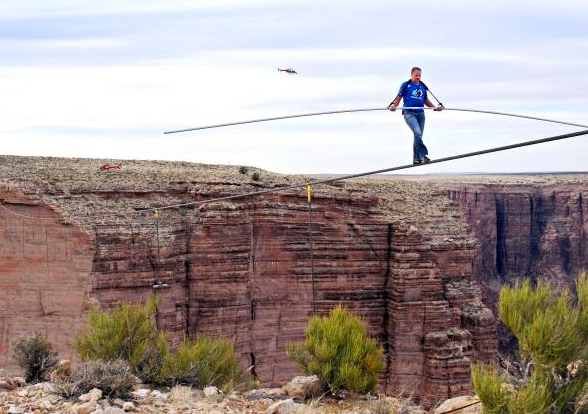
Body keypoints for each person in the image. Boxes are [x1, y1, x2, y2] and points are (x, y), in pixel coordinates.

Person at [389, 67, 443, 165]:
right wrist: (393, 106)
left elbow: (425, 100)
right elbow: (398, 98)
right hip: (409, 113)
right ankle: (423, 156)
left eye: (420, 75)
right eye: (416, 75)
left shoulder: (422, 86)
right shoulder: (406, 85)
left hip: (421, 114)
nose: (418, 77)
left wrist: (435, 108)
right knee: (417, 133)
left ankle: (416, 159)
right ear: (412, 75)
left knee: (418, 136)